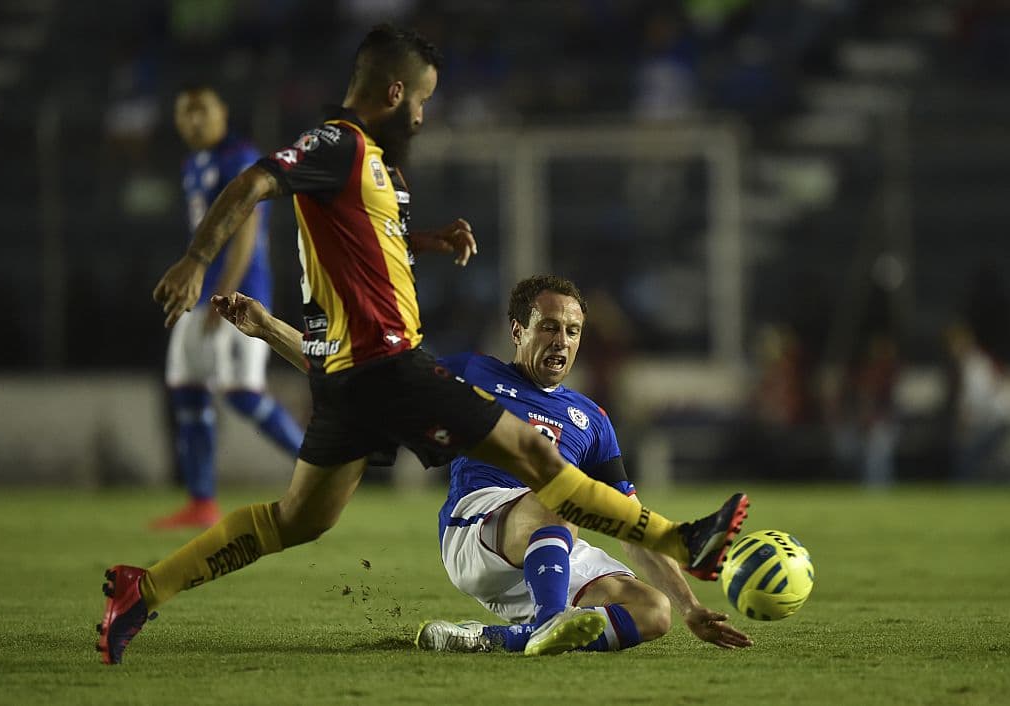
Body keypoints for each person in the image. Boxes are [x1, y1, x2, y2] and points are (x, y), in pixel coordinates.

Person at [97, 24, 748, 665]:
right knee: (537, 457)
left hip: (346, 375)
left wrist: (427, 240)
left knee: (294, 521)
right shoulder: (340, 144)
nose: (423, 114)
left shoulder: (383, 172)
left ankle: (144, 588)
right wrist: (196, 258)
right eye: (423, 101)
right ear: (394, 92)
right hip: (385, 363)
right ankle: (683, 540)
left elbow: (365, 243)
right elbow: (256, 180)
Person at [212, 276, 752, 655]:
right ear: (518, 330)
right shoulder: (472, 372)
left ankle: (500, 639)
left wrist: (689, 607)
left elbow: (629, 525)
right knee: (559, 494)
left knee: (649, 612)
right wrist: (268, 329)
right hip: (477, 530)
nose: (561, 340)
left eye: (572, 331)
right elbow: (357, 374)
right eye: (548, 326)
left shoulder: (592, 420)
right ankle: (548, 623)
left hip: (549, 541)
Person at [153, 84, 305, 529]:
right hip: (198, 295)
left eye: (202, 110)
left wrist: (227, 295)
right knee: (187, 389)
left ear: (222, 113)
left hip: (233, 294)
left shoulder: (239, 155)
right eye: (185, 112)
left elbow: (246, 232)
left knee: (241, 394)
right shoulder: (192, 163)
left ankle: (325, 467)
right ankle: (201, 501)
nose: (193, 120)